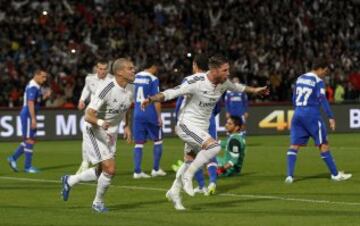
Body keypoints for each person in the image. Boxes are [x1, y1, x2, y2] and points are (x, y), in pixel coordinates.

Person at [142, 55, 268, 210]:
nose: (228, 73)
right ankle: (189, 176)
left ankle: (174, 192)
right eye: (225, 70)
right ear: (214, 70)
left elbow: (239, 88)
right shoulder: (196, 81)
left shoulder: (223, 83)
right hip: (186, 124)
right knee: (214, 147)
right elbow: (171, 93)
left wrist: (256, 90)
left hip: (201, 127)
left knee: (189, 160)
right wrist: (151, 99)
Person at [61, 58, 135, 212]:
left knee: (101, 170)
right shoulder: (106, 89)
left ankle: (70, 180)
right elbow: (88, 115)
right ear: (119, 72)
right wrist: (101, 123)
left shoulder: (131, 87)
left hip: (111, 132)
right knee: (110, 169)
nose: (133, 71)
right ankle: (97, 203)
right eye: (130, 68)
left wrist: (127, 125)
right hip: (95, 130)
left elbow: (127, 106)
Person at [285, 59, 352, 184]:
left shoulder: (300, 78)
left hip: (298, 113)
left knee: (294, 145)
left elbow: (294, 97)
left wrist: (298, 110)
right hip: (311, 114)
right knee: (323, 144)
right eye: (325, 71)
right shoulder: (318, 81)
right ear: (320, 69)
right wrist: (330, 117)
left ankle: (289, 176)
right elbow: (323, 100)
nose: (325, 74)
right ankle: (336, 175)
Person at [174, 54, 219, 196]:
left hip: (192, 122)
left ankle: (201, 186)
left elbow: (180, 103)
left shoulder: (190, 80)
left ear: (195, 65)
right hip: (209, 120)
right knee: (210, 152)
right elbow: (217, 105)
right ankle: (212, 181)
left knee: (191, 155)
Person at [7, 69, 50, 173]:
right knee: (29, 140)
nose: (44, 79)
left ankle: (13, 158)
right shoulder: (33, 87)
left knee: (29, 139)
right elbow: (30, 103)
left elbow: (36, 102)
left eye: (46, 77)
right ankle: (28, 167)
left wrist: (45, 97)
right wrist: (33, 119)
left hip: (30, 114)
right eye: (43, 77)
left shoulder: (36, 86)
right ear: (36, 75)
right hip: (28, 115)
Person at [76, 60, 113, 174]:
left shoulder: (111, 81)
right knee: (86, 136)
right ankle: (85, 162)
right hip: (91, 112)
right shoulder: (89, 78)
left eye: (104, 69)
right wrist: (82, 99)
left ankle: (102, 164)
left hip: (104, 114)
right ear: (96, 69)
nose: (102, 71)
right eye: (100, 69)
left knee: (105, 139)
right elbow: (87, 89)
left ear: (107, 69)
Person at [132, 58, 166, 179]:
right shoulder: (153, 79)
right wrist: (159, 116)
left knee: (139, 143)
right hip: (150, 112)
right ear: (152, 67)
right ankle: (155, 169)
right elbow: (156, 99)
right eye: (156, 67)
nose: (156, 70)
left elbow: (131, 97)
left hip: (137, 113)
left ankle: (137, 171)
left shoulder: (134, 77)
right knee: (158, 140)